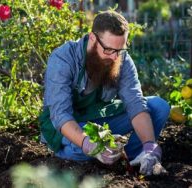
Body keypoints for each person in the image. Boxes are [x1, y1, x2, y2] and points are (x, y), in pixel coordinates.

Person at [39, 10, 170, 176]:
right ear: (93, 38)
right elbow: (60, 115)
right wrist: (88, 144)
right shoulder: (63, 59)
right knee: (81, 150)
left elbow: (135, 103)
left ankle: (134, 158)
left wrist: (150, 146)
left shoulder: (121, 59)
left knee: (159, 107)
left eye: (120, 50)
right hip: (69, 125)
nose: (115, 57)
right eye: (108, 50)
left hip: (100, 120)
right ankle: (71, 156)